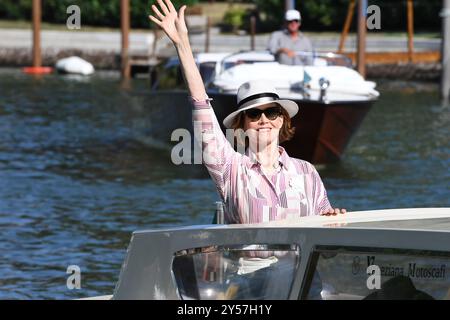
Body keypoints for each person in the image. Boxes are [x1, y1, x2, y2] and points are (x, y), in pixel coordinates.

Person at [149, 0, 345, 225]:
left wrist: (333, 218)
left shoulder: (307, 172)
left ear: (281, 119)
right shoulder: (230, 169)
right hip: (247, 262)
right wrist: (182, 43)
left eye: (271, 112)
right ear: (242, 125)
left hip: (300, 262)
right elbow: (201, 106)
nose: (264, 120)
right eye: (253, 114)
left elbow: (326, 241)